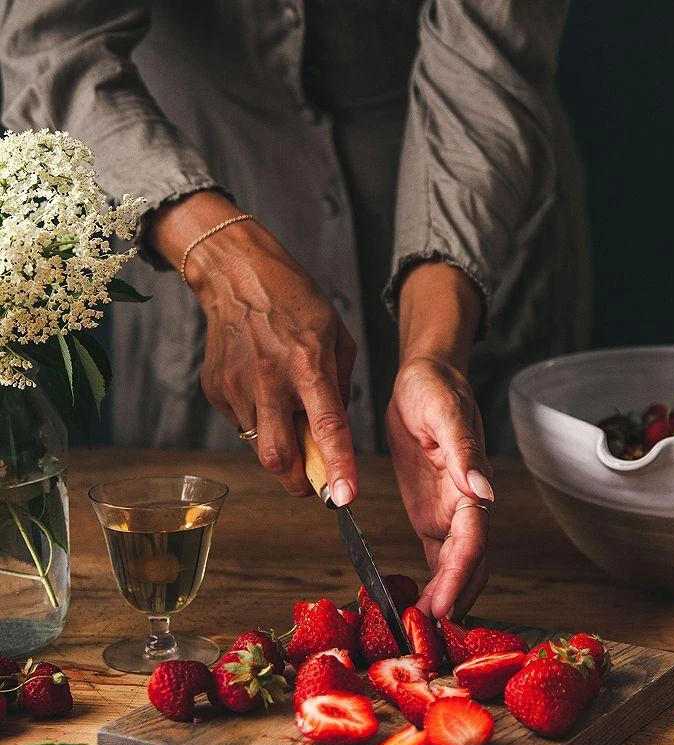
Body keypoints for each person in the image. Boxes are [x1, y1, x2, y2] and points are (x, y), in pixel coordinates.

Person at [0, 0, 590, 619]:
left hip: (476, 197)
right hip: (174, 172)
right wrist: (216, 257)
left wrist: (434, 352)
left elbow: (487, 54)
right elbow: (48, 43)